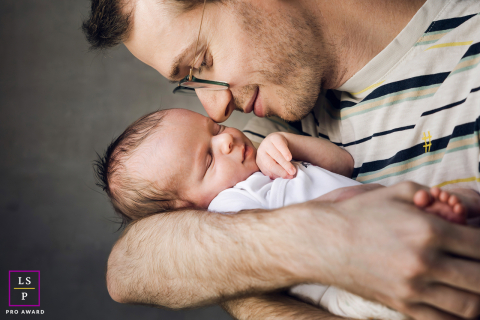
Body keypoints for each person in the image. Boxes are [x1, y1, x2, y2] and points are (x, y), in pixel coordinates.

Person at [82, 0, 480, 319]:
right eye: (193, 80)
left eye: (203, 61)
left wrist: (244, 276)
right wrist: (334, 241)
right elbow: (131, 267)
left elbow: (195, 254)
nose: (217, 112)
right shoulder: (273, 129)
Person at [95, 107, 476, 319]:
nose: (226, 138)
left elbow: (343, 162)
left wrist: (286, 142)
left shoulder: (265, 159)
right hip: (351, 289)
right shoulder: (226, 209)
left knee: (460, 198)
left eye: (215, 128)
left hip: (398, 217)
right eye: (208, 158)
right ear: (187, 207)